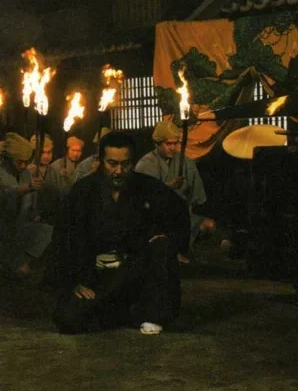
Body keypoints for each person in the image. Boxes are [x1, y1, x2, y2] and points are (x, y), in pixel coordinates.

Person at [52, 131, 189, 335]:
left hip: (133, 271)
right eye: (112, 164)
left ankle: (145, 312)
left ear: (132, 162)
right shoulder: (83, 191)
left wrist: (168, 242)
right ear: (101, 161)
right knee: (68, 318)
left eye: (125, 164)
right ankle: (122, 312)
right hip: (96, 276)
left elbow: (178, 210)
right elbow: (64, 238)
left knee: (160, 245)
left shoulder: (147, 186)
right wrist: (74, 281)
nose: (119, 171)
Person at [135, 120, 215, 264]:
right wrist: (168, 186)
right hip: (156, 219)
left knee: (208, 226)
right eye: (168, 144)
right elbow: (144, 196)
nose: (172, 148)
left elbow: (195, 197)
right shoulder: (145, 164)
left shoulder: (186, 162)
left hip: (183, 217)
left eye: (175, 143)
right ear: (157, 143)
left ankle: (186, 249)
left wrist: (186, 214)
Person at [0, 133, 42, 278]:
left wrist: (34, 212)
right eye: (19, 162)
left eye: (25, 162)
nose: (23, 166)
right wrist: (25, 188)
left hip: (21, 227)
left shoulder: (26, 173)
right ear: (8, 159)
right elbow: (4, 196)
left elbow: (31, 200)